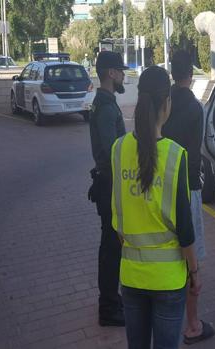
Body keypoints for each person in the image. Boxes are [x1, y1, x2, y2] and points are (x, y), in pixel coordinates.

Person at [111, 66, 200, 349]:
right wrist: (194, 273)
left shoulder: (118, 149)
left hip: (131, 276)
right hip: (169, 280)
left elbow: (117, 215)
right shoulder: (175, 155)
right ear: (166, 104)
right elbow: (185, 229)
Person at [161, 51, 215, 345]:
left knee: (171, 254)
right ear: (191, 75)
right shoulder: (197, 108)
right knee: (192, 258)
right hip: (189, 186)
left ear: (172, 73)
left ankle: (167, 315)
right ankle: (192, 324)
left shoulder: (164, 103)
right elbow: (205, 144)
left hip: (163, 186)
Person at [87, 51, 128, 327]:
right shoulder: (105, 107)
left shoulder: (105, 103)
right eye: (121, 70)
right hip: (110, 185)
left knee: (111, 246)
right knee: (111, 248)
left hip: (108, 183)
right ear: (111, 73)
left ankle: (112, 299)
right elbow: (112, 152)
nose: (124, 74)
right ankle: (108, 307)